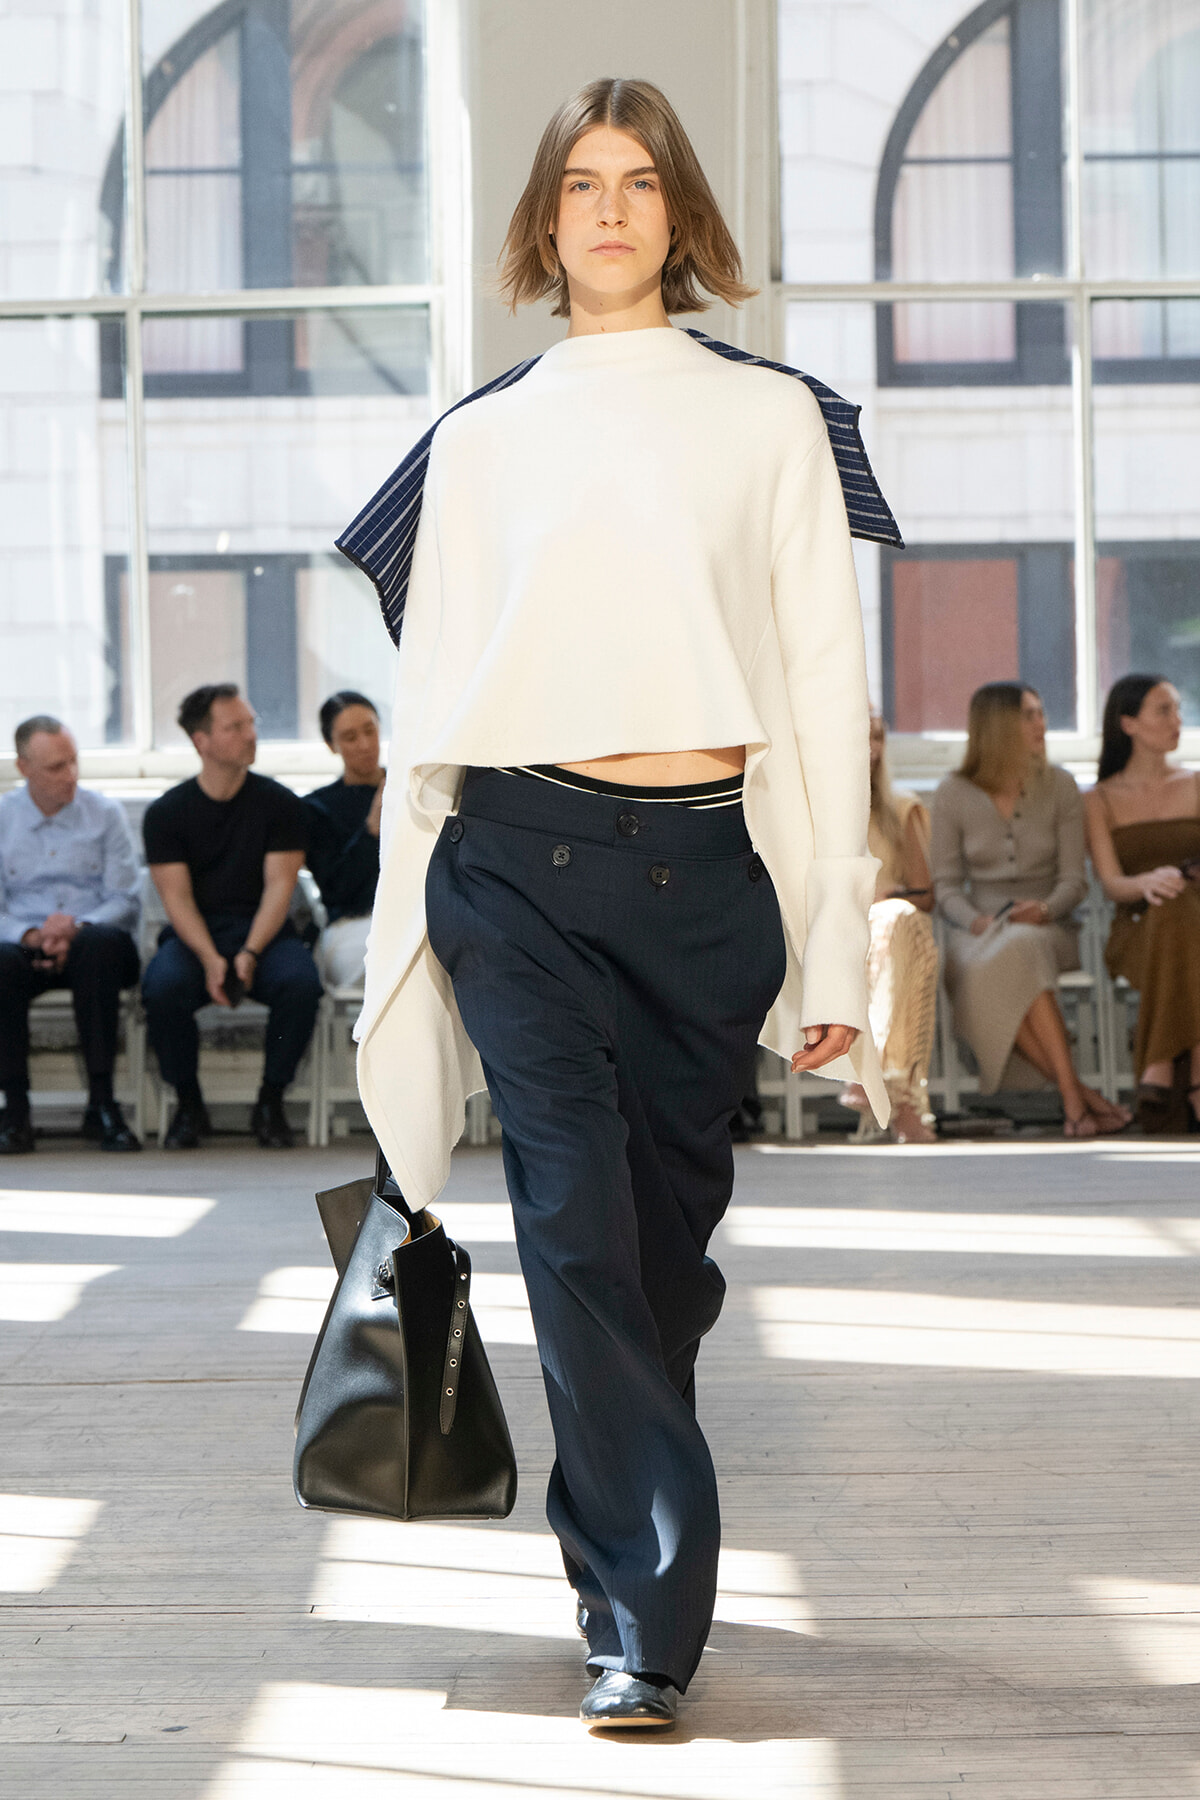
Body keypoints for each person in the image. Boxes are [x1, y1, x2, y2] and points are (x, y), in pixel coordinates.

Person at [335, 78, 902, 1732]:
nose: (607, 208)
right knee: (576, 1234)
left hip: (708, 882)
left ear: (680, 215)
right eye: (580, 182)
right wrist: (405, 954)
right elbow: (430, 708)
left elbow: (824, 692)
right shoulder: (478, 438)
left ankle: (626, 1551)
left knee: (657, 1265)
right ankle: (642, 1622)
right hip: (517, 871)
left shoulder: (775, 420)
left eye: (639, 181)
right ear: (544, 216)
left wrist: (831, 938)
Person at [931, 682, 1127, 1137]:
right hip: (977, 934)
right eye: (1029, 715)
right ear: (998, 726)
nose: (1042, 723)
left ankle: (1075, 1100)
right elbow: (946, 887)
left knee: (1019, 948)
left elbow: (1075, 881)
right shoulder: (952, 792)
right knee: (1001, 959)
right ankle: (1079, 1096)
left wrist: (1043, 909)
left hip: (1050, 929)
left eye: (1041, 713)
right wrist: (976, 921)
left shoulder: (1061, 786)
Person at [141, 684, 321, 1150]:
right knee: (162, 988)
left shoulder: (282, 804)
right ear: (201, 741)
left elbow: (280, 887)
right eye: (235, 726)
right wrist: (210, 959)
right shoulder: (166, 813)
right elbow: (177, 899)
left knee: (301, 984)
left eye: (251, 723)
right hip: (196, 935)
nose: (250, 734)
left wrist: (250, 953)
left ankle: (271, 1100)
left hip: (265, 932)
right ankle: (188, 1104)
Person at [0, 715, 141, 1153]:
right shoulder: (3, 818)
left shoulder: (105, 814)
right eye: (56, 767)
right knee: (1, 963)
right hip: (24, 947)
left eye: (74, 761)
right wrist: (30, 935)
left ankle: (102, 1104)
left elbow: (125, 899)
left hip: (93, 941)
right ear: (24, 768)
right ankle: (15, 1111)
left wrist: (76, 929)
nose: (71, 775)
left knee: (99, 947)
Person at [1084, 674, 1200, 1132]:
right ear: (1128, 723)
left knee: (1179, 906)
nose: (1177, 720)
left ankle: (1159, 1064)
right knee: (1171, 909)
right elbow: (1112, 884)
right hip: (1136, 927)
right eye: (1163, 710)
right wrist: (1147, 882)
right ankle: (1196, 1071)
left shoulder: (1196, 783)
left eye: (1178, 709)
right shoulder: (1099, 799)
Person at [841, 712, 938, 1143]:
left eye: (878, 737)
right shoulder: (812, 809)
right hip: (833, 930)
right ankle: (905, 1105)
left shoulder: (903, 808)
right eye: (863, 737)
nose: (873, 748)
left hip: (892, 929)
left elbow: (925, 895)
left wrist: (886, 900)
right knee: (911, 942)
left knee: (902, 923)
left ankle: (871, 1076)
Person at [303, 692, 384, 989]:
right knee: (381, 956)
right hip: (353, 924)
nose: (365, 745)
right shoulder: (317, 808)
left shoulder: (409, 786)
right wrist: (372, 827)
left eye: (370, 731)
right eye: (350, 737)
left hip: (417, 914)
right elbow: (337, 891)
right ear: (331, 745)